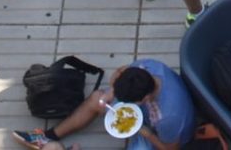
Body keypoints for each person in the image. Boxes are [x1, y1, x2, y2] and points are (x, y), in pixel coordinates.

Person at [16, 58, 194, 150]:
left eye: (128, 102)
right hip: (151, 114)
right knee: (97, 99)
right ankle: (49, 136)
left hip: (162, 134)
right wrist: (111, 92)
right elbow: (121, 71)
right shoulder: (145, 67)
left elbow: (171, 148)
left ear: (144, 99)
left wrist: (143, 131)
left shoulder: (169, 118)